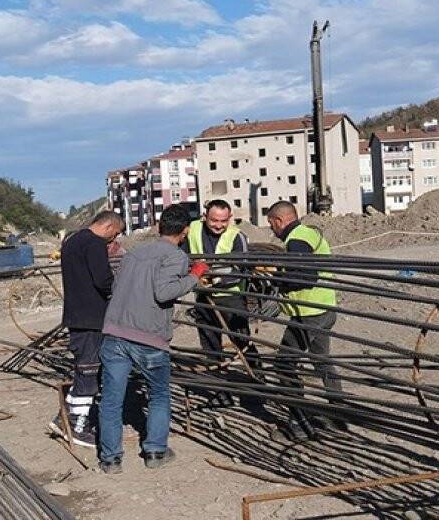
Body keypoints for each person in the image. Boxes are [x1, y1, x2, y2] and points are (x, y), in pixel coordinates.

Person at [97, 204, 205, 474]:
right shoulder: (175, 255)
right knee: (158, 395)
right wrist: (195, 275)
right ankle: (155, 451)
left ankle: (110, 460)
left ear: (158, 227)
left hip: (115, 333)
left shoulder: (135, 253)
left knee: (111, 399)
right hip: (148, 338)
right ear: (185, 231)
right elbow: (165, 292)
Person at [264, 200, 346, 440]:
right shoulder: (307, 234)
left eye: (271, 224)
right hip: (324, 309)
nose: (272, 230)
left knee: (284, 365)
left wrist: (275, 278)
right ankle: (338, 415)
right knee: (322, 361)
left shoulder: (297, 240)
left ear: (279, 221)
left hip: (309, 314)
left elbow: (304, 278)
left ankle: (298, 423)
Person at [50, 211, 124, 448]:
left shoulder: (72, 241)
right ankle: (78, 427)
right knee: (89, 373)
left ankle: (62, 419)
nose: (115, 238)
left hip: (77, 316)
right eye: (116, 232)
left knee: (83, 369)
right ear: (109, 226)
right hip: (91, 319)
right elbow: (103, 280)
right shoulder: (94, 244)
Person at [182, 199, 260, 407]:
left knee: (242, 341)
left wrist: (214, 278)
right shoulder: (192, 230)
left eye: (223, 221)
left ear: (230, 218)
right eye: (214, 220)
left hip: (230, 297)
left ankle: (258, 385)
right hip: (203, 298)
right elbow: (182, 256)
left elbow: (242, 268)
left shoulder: (237, 236)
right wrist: (192, 275)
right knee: (210, 345)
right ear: (205, 216)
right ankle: (220, 392)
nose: (218, 225)